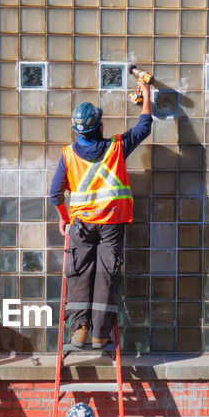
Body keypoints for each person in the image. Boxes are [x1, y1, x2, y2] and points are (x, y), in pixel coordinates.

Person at [49, 81, 153, 348]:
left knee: (79, 275)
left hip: (81, 226)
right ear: (100, 127)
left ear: (76, 130)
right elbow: (144, 127)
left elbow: (55, 193)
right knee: (107, 275)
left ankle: (80, 331)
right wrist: (147, 95)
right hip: (111, 225)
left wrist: (64, 217)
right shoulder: (117, 147)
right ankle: (100, 335)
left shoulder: (68, 155)